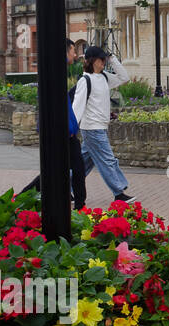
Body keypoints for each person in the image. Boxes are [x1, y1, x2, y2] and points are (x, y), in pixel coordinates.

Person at [22, 39, 90, 211]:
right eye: (72, 51)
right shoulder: (54, 72)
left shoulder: (59, 71)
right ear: (65, 52)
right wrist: (67, 129)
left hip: (67, 132)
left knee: (73, 168)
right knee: (55, 171)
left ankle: (80, 205)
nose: (75, 55)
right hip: (60, 133)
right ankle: (23, 197)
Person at [73, 45, 133, 203]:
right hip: (92, 128)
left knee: (84, 162)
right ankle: (119, 193)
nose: (104, 62)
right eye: (102, 59)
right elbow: (77, 106)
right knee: (108, 159)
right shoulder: (85, 81)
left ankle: (67, 187)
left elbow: (124, 78)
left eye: (104, 59)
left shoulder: (104, 77)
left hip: (100, 126)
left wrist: (113, 58)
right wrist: (71, 128)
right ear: (92, 61)